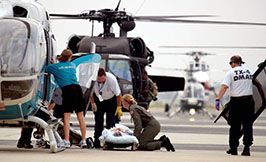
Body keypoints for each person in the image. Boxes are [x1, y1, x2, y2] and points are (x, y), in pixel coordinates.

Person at [215, 55, 265, 156]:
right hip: (248, 102)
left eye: (230, 63)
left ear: (233, 63)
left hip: (236, 102)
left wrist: (218, 99)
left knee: (234, 126)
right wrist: (264, 99)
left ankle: (233, 149)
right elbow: (259, 85)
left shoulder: (231, 72)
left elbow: (224, 87)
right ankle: (247, 148)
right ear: (241, 63)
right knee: (247, 125)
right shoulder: (249, 71)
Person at [45, 49, 87, 148]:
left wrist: (54, 62)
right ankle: (83, 140)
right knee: (81, 117)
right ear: (69, 57)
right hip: (77, 89)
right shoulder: (72, 65)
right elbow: (64, 69)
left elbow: (47, 69)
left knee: (66, 117)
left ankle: (67, 140)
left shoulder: (55, 67)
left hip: (67, 90)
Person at [90, 68, 122, 148]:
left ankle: (110, 142)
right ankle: (97, 142)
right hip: (99, 100)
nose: (100, 81)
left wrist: (119, 107)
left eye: (102, 79)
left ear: (105, 76)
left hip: (111, 100)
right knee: (98, 121)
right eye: (99, 79)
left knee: (110, 121)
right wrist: (93, 103)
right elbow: (90, 93)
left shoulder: (111, 80)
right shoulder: (93, 79)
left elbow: (118, 94)